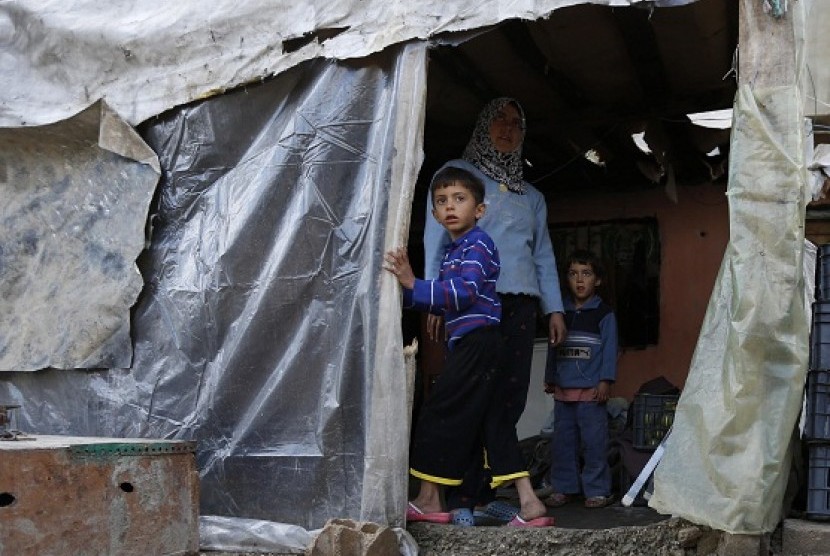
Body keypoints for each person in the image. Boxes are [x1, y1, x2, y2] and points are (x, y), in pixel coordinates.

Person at [423, 97, 567, 519]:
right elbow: (437, 237)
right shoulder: (458, 177)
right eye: (498, 120)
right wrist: (435, 295)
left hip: (520, 306)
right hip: (471, 303)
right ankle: (463, 495)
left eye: (516, 123)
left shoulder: (531, 196)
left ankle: (486, 494)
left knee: (509, 397)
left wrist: (553, 308)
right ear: (482, 125)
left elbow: (542, 255)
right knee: (470, 395)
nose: (507, 129)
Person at [385, 166, 553, 527]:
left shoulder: (478, 244)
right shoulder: (453, 250)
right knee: (494, 420)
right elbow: (443, 299)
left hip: (478, 344)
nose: (449, 207)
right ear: (433, 214)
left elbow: (464, 293)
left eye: (459, 199)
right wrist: (400, 292)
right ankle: (530, 503)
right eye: (441, 201)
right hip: (477, 344)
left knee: (438, 412)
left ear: (479, 210)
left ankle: (429, 499)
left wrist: (413, 282)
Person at [543, 249, 618, 509]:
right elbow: (553, 346)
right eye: (573, 274)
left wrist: (605, 381)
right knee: (563, 444)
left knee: (594, 444)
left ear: (597, 280)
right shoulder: (559, 312)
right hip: (564, 392)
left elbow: (609, 351)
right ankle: (564, 488)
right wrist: (550, 376)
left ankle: (597, 490)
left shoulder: (604, 314)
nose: (579, 280)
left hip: (591, 395)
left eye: (586, 274)